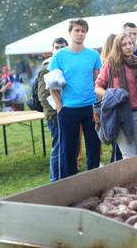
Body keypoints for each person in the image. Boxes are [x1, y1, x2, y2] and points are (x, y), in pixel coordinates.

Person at [48, 18, 101, 179]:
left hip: (90, 108)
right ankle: (69, 184)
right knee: (68, 149)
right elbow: (51, 85)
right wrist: (59, 108)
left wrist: (97, 106)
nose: (80, 33)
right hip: (68, 109)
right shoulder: (59, 56)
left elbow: (97, 82)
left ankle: (93, 180)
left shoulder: (93, 55)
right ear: (70, 33)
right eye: (77, 30)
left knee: (93, 146)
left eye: (83, 30)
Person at [95, 33, 137, 160]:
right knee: (129, 155)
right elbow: (98, 87)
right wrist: (113, 95)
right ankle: (134, 179)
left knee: (133, 152)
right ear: (118, 47)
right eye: (124, 44)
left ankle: (127, 178)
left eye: (130, 43)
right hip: (118, 113)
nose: (128, 46)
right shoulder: (111, 63)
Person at [37, 37, 68, 182]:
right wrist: (58, 110)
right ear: (52, 49)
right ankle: (55, 179)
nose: (59, 50)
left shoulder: (67, 66)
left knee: (67, 147)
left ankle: (65, 177)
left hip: (70, 113)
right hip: (55, 116)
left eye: (63, 47)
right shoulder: (46, 69)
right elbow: (43, 96)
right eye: (57, 47)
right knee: (58, 148)